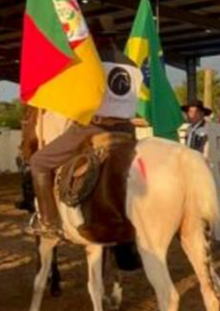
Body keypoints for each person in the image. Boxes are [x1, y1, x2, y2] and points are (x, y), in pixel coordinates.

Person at [27, 37, 141, 239]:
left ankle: (49, 222)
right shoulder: (132, 66)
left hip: (93, 127)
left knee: (39, 162)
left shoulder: (91, 63)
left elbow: (80, 97)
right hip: (126, 129)